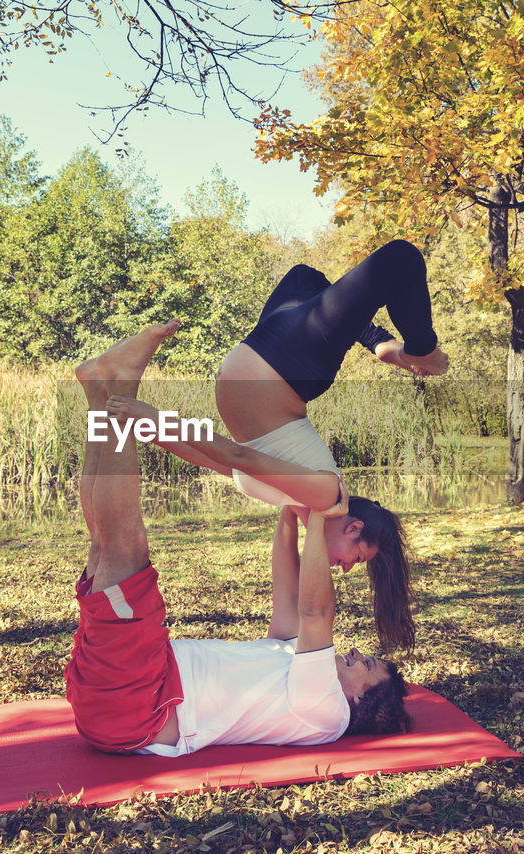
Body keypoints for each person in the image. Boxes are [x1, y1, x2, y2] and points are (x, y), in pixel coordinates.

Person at [67, 321, 409, 756]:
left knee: (123, 547)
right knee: (103, 544)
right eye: (368, 659)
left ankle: (119, 390)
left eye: (368, 666)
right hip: (130, 684)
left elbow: (315, 609)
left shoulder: (328, 713)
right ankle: (101, 394)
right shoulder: (294, 666)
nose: (358, 653)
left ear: (362, 699)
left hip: (136, 700)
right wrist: (291, 513)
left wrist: (322, 518)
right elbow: (288, 595)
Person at [103, 240, 445, 649]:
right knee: (398, 259)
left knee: (307, 278)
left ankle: (382, 345)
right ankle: (420, 351)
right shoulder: (326, 494)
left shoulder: (297, 506)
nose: (344, 568)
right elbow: (237, 453)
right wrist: (158, 418)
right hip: (289, 365)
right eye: (356, 559)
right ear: (354, 528)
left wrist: (152, 431)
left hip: (271, 350)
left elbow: (219, 461)